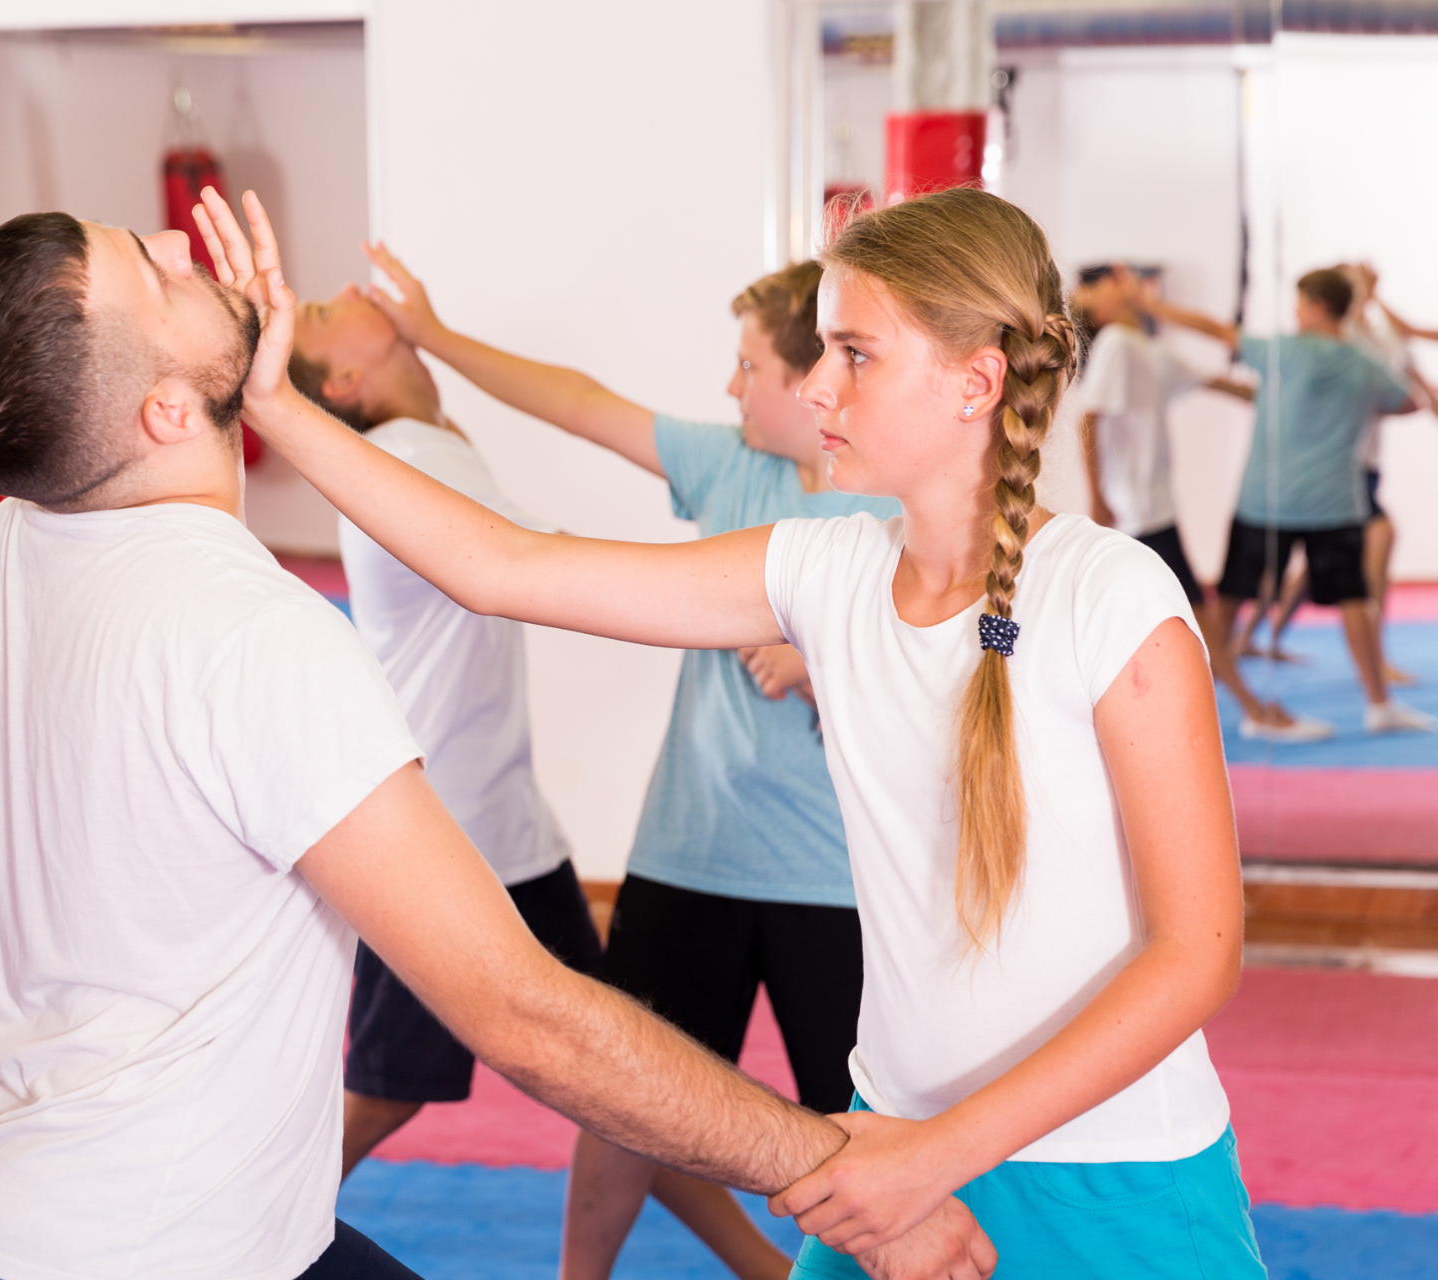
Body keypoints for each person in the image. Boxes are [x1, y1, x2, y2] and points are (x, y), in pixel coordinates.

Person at [0, 206, 995, 1280]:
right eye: (150, 273)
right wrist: (838, 1173)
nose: (180, 244)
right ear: (161, 410)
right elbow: (526, 1016)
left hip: (15, 1231)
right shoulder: (253, 632)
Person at [236, 184, 1265, 1280]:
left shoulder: (1112, 596)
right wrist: (279, 409)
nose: (817, 385)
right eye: (820, 349)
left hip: (1112, 1173)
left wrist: (934, 1157)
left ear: (978, 378)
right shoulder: (824, 568)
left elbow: (1196, 953)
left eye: (855, 353)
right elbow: (505, 568)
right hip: (893, 1145)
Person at [322, 248, 897, 1280]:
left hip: (828, 874)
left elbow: (982, 658)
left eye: (747, 365)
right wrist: (440, 332)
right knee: (631, 1095)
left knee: (837, 1121)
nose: (730, 386)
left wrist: (830, 664)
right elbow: (580, 407)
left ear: (817, 380)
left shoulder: (890, 508)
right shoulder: (729, 464)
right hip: (687, 856)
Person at [288, 284, 606, 1177]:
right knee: (388, 1090)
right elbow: (545, 561)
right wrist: (744, 600)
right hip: (440, 835)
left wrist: (431, 330)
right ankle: (229, 1251)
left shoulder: (426, 441)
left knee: (623, 1077)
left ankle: (768, 1265)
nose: (336, 294)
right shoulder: (405, 451)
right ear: (349, 378)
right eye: (321, 315)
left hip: (499, 820)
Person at [1144, 268, 1433, 736]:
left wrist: (1150, 305)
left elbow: (1214, 329)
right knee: (1353, 599)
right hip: (1332, 501)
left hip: (1268, 500)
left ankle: (1191, 704)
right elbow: (1409, 403)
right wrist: (1356, 405)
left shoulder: (1287, 350)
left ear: (1317, 306)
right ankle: (1379, 704)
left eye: (1300, 304)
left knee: (1230, 600)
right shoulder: (1364, 362)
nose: (1295, 313)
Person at [1068, 266, 1317, 736]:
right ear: (1099, 308)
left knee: (1186, 618)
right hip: (1136, 510)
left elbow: (1231, 387)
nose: (1123, 285)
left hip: (1152, 507)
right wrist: (1099, 498)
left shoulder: (1148, 350)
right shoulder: (1117, 347)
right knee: (1189, 618)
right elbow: (1089, 422)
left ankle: (1245, 710)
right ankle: (1252, 712)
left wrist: (1307, 392)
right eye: (1108, 285)